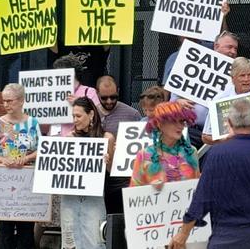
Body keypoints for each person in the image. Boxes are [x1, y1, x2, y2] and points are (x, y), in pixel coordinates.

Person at [171, 99, 250, 249]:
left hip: (224, 236)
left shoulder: (217, 154)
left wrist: (183, 233)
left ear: (229, 122)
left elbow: (202, 197)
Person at [0, 83, 41, 249]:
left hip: (26, 185)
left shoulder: (32, 123)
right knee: (5, 232)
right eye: (4, 101)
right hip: (4, 185)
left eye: (9, 101)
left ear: (21, 101)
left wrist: (27, 158)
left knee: (26, 233)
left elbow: (42, 149)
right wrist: (2, 160)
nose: (6, 105)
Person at [167, 30, 240, 149]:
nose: (233, 52)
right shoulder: (190, 63)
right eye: (230, 47)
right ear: (216, 46)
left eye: (235, 49)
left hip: (217, 134)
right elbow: (171, 103)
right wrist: (178, 103)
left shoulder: (236, 73)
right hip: (189, 131)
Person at [60, 97, 114, 249]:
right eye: (73, 116)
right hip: (70, 197)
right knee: (71, 241)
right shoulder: (69, 138)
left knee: (95, 240)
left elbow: (111, 171)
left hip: (94, 198)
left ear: (91, 115)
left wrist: (107, 160)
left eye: (78, 116)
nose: (75, 120)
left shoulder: (107, 138)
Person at [202, 57, 250, 147]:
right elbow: (205, 137)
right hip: (229, 153)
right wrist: (226, 141)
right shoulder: (219, 100)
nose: (246, 79)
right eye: (242, 75)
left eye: (249, 75)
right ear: (233, 78)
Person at [96, 75, 141, 215]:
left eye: (113, 97)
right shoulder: (91, 114)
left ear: (119, 91)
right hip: (96, 176)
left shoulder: (132, 114)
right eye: (104, 98)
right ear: (96, 93)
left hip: (121, 178)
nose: (109, 101)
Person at [161, 2, 233, 85]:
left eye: (189, 27)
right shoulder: (173, 58)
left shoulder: (210, 48)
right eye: (182, 29)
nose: (186, 33)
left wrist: (222, 17)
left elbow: (224, 41)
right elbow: (166, 87)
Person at [130, 101, 199, 187]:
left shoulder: (191, 152)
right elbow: (134, 191)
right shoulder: (144, 155)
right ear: (160, 124)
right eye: (173, 121)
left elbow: (197, 189)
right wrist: (150, 189)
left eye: (181, 121)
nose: (180, 126)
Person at [52, 54, 101, 136]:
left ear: (73, 73)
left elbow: (98, 117)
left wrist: (79, 103)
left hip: (79, 141)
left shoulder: (89, 92)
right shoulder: (51, 93)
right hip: (56, 142)